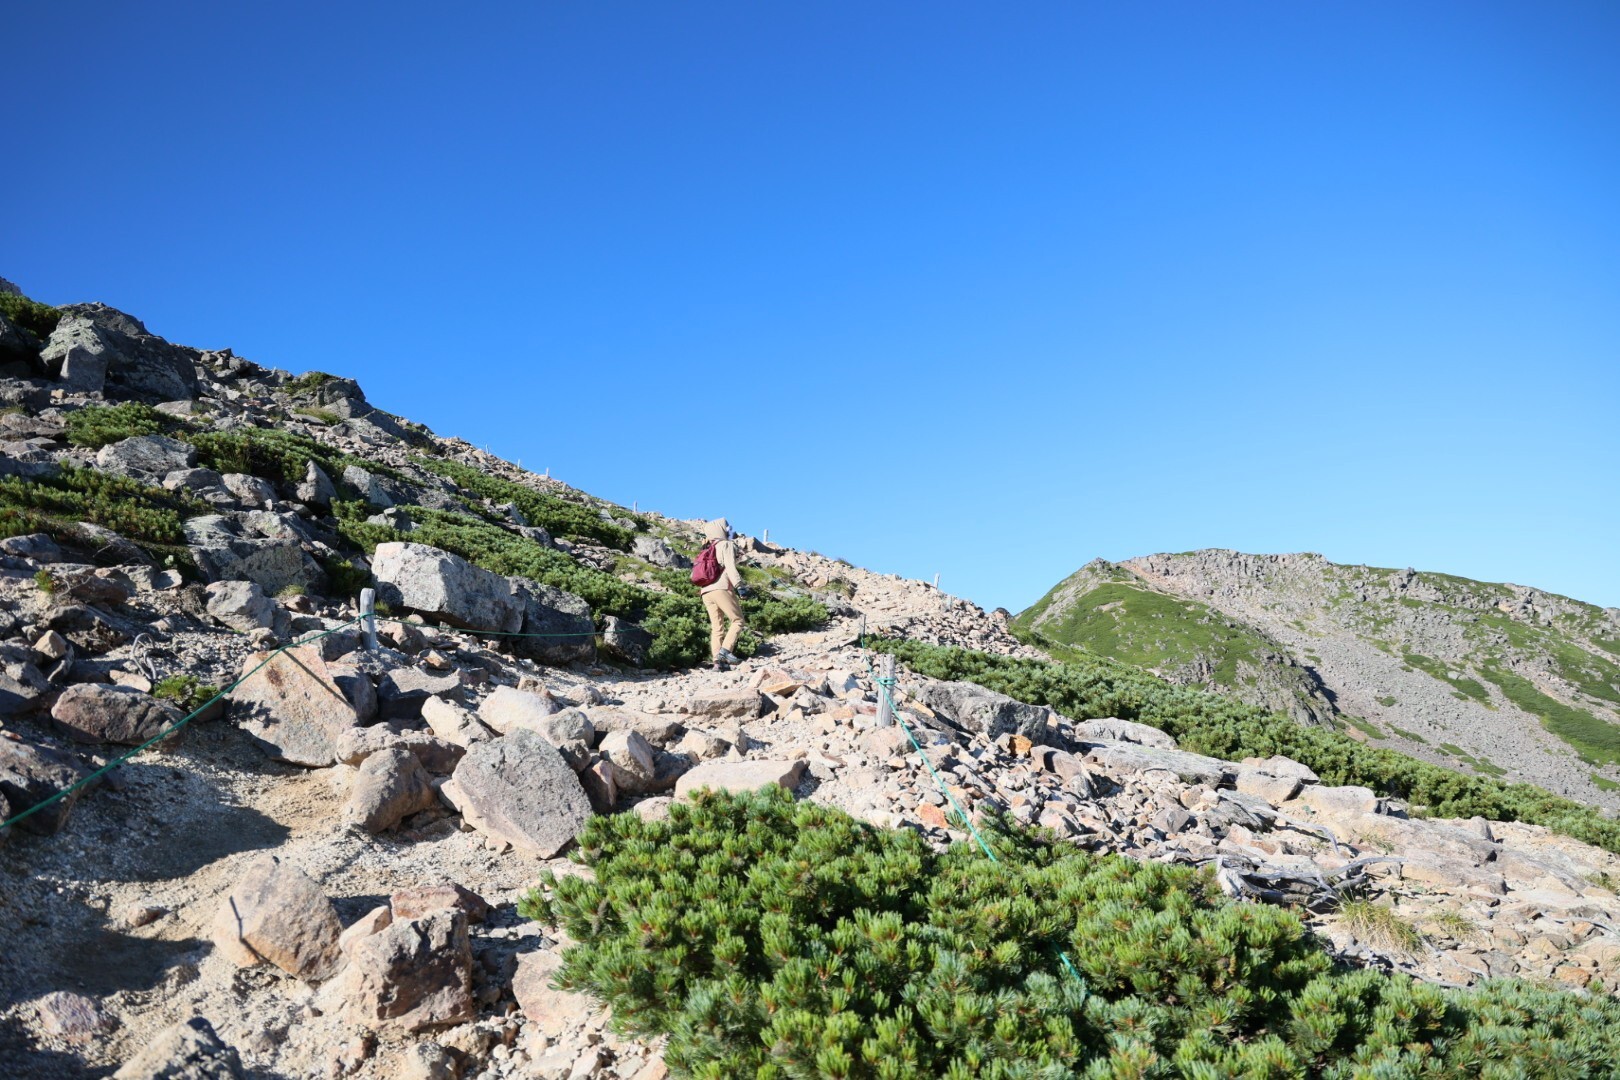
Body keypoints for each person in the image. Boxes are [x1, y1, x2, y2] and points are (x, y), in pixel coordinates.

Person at [699, 517, 746, 670]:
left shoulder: (707, 547)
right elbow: (730, 567)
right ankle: (725, 651)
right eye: (727, 528)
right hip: (722, 588)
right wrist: (740, 586)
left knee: (717, 627)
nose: (730, 530)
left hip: (705, 591)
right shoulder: (726, 544)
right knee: (738, 620)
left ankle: (717, 663)